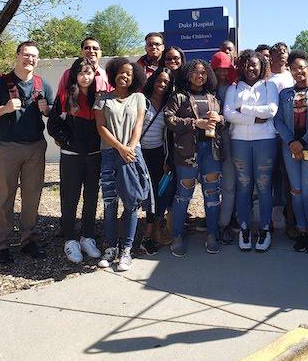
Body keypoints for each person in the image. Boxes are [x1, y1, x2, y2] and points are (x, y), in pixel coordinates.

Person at [0, 41, 54, 264]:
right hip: (9, 147)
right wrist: (5, 109)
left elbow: (53, 111)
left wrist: (48, 110)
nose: (30, 60)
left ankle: (28, 240)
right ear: (18, 56)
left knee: (32, 197)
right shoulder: (1, 83)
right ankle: (2, 244)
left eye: (34, 57)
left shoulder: (42, 84)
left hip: (36, 147)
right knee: (5, 197)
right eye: (27, 55)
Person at [94, 58, 150, 272]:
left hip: (131, 155)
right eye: (121, 72)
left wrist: (130, 148)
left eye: (129, 73)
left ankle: (126, 249)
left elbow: (138, 126)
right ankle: (110, 247)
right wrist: (119, 147)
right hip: (110, 153)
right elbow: (101, 128)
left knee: (131, 203)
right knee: (110, 203)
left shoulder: (138, 98)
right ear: (114, 73)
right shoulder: (102, 99)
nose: (125, 76)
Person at [164, 59, 225, 257]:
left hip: (211, 152)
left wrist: (220, 119)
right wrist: (194, 123)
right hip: (187, 153)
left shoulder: (213, 97)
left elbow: (223, 120)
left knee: (213, 195)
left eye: (204, 73)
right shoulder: (179, 96)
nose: (200, 76)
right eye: (196, 73)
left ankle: (213, 234)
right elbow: (169, 119)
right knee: (184, 195)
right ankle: (177, 236)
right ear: (188, 75)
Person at [273, 50, 308, 254]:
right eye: (295, 68)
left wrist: (303, 141)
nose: (299, 71)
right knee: (295, 192)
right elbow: (278, 119)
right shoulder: (284, 94)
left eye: (302, 67)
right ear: (290, 71)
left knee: (307, 193)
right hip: (290, 148)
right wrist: (291, 141)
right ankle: (302, 231)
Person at [223, 49, 279, 252]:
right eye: (246, 65)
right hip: (239, 141)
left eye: (254, 64)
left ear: (261, 65)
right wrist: (255, 117)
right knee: (244, 186)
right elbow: (228, 114)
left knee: (264, 186)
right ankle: (245, 228)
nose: (250, 68)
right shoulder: (233, 88)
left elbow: (271, 110)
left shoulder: (269, 85)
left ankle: (265, 228)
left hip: (265, 140)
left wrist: (244, 110)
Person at [47, 58, 102, 263]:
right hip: (71, 157)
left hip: (94, 156)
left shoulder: (98, 98)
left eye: (89, 73)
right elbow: (53, 125)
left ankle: (88, 236)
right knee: (70, 199)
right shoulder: (64, 97)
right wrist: (67, 141)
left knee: (91, 197)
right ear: (74, 75)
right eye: (81, 73)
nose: (85, 77)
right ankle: (70, 240)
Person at [139, 66, 175, 254]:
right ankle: (129, 236)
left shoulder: (169, 104)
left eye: (166, 82)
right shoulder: (142, 101)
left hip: (158, 154)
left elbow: (167, 136)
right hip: (139, 153)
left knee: (159, 193)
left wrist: (166, 159)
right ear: (153, 80)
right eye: (159, 80)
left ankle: (152, 231)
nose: (162, 84)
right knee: (140, 194)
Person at [211, 51, 240, 244]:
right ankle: (212, 224)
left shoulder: (235, 89)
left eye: (225, 70)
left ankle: (224, 224)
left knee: (229, 185)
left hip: (230, 142)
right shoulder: (205, 88)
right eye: (218, 70)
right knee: (211, 187)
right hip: (209, 143)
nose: (222, 74)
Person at [267, 41, 295, 235]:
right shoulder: (265, 78)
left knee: (289, 179)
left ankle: (291, 220)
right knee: (266, 179)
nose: (282, 55)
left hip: (288, 136)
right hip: (267, 135)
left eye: (285, 52)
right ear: (271, 56)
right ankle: (266, 220)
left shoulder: (292, 76)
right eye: (277, 52)